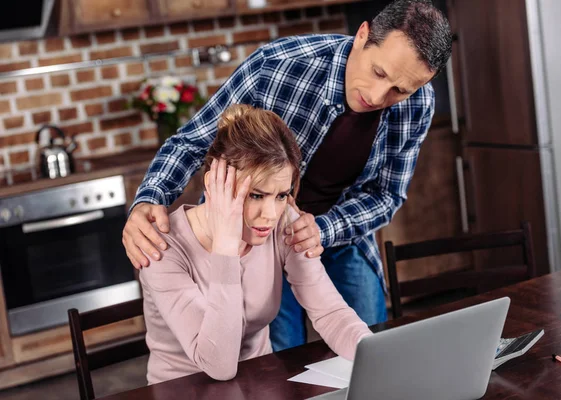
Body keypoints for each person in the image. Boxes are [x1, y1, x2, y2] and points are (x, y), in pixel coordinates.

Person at [123, 0, 452, 351]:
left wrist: (322, 230)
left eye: (400, 91)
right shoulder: (277, 66)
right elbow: (191, 143)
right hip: (254, 240)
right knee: (279, 361)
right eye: (379, 73)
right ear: (362, 35)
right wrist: (149, 197)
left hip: (340, 234)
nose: (376, 96)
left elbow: (387, 195)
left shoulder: (419, 104)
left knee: (370, 347)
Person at [139, 105, 371, 384]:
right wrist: (226, 246)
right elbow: (219, 365)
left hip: (261, 384)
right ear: (215, 182)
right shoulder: (162, 248)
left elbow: (330, 313)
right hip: (183, 391)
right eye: (256, 196)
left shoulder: (284, 219)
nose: (271, 215)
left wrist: (377, 357)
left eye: (281, 195)